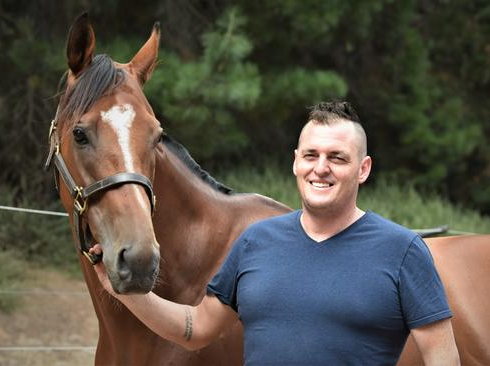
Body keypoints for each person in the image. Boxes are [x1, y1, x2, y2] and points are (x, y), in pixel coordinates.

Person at [91, 101, 460, 365]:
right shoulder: (254, 242)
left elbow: (442, 359)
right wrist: (126, 295)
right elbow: (196, 328)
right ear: (295, 161)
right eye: (311, 155)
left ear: (363, 169)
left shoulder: (403, 251)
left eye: (337, 157)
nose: (321, 168)